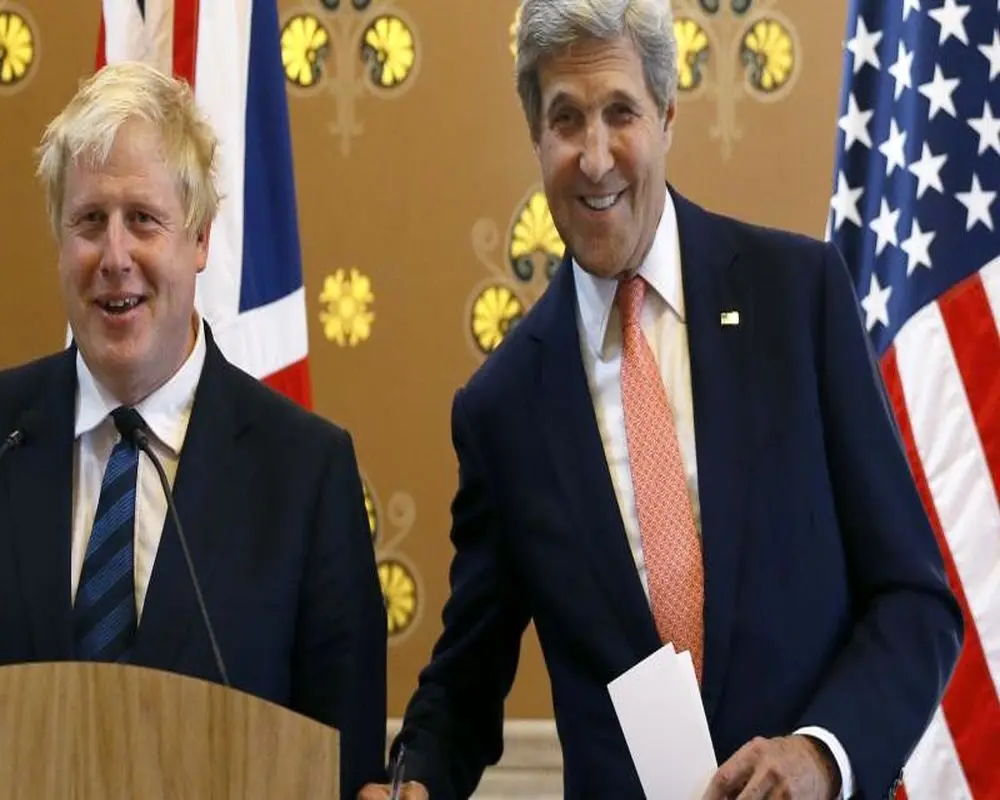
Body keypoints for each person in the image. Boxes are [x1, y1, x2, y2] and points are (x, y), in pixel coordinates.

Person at [359, 0, 963, 798]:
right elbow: (466, 683)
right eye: (566, 119)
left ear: (668, 114)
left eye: (621, 112)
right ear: (536, 135)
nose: (595, 158)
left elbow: (915, 601)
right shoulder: (502, 409)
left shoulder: (797, 299)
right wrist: (415, 781)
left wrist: (822, 755)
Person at [0, 61, 388, 797]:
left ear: (200, 239)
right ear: (60, 241)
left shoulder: (306, 473)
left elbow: (345, 768)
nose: (115, 257)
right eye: (90, 221)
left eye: (144, 220)